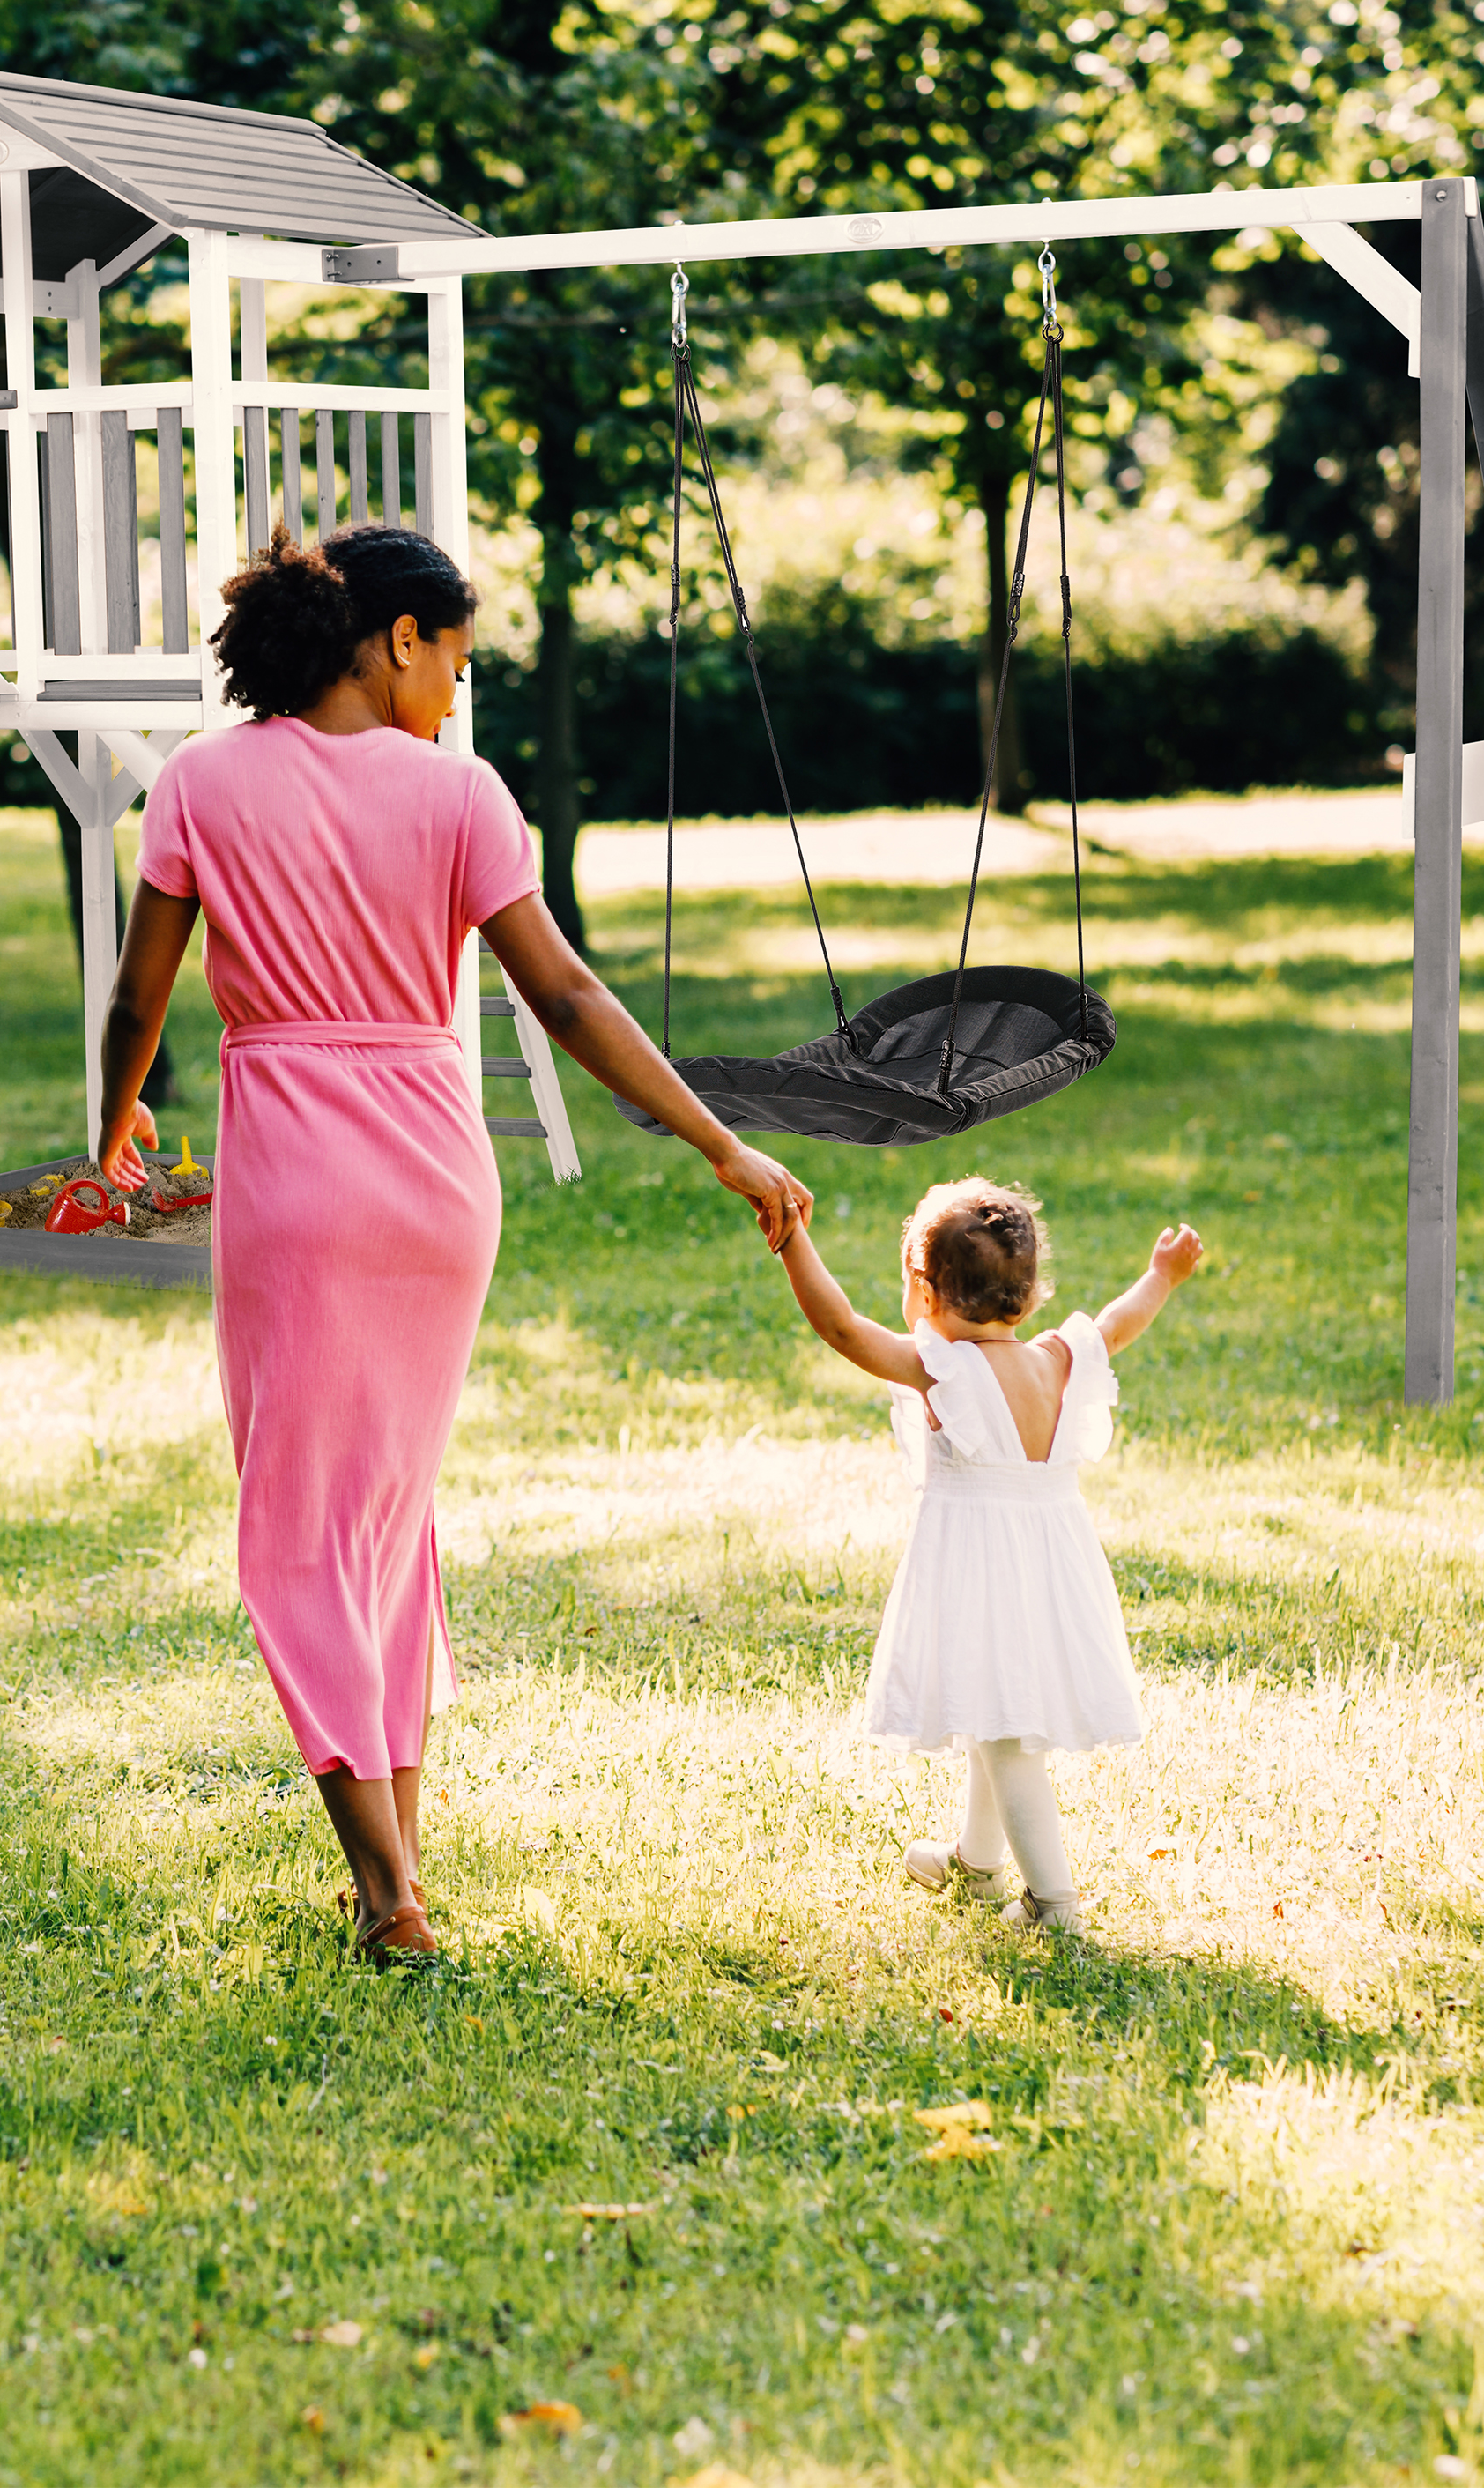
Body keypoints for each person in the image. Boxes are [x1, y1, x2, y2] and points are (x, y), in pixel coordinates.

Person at [96, 524, 813, 1965]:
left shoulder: (200, 783)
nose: (458, 695)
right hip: (435, 1180)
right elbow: (565, 997)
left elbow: (140, 997)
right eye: (458, 663)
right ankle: (400, 1869)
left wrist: (109, 1130)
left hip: (295, 1180)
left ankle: (386, 1895)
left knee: (300, 1536)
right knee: (385, 1525)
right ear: (397, 640)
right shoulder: (460, 797)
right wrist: (719, 1139)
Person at [770, 1177, 1205, 1934]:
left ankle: (1053, 1903)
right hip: (1050, 1568)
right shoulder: (1058, 1359)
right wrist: (1161, 1276)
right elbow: (1118, 1321)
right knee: (990, 1708)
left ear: (925, 1292)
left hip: (982, 1571)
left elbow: (840, 1327)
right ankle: (976, 1863)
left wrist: (792, 1239)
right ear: (1030, 1296)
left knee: (1006, 1738)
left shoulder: (944, 1371)